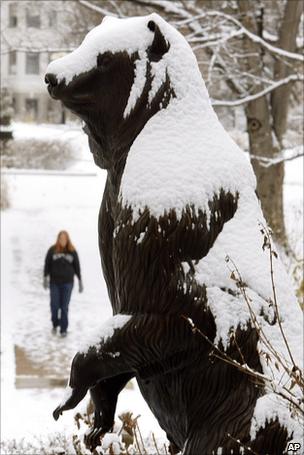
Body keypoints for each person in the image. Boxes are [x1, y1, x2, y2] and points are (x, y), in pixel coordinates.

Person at [43, 230, 83, 337]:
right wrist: (45, 278)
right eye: (61, 238)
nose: (63, 240)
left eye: (65, 238)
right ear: (58, 239)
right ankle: (55, 323)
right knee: (55, 306)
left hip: (68, 283)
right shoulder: (52, 250)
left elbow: (77, 266)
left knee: (64, 307)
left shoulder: (72, 251)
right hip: (54, 283)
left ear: (67, 239)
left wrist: (80, 281)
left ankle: (63, 329)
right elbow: (47, 264)